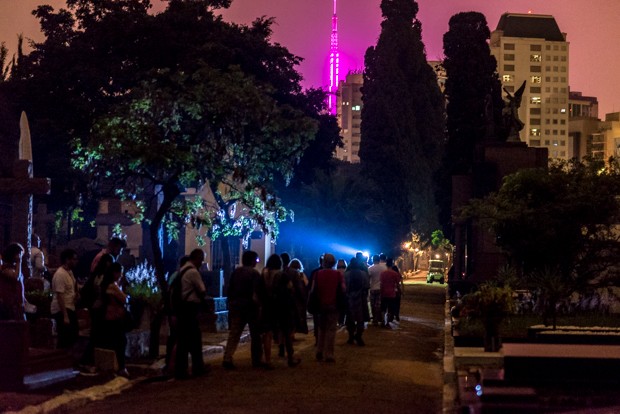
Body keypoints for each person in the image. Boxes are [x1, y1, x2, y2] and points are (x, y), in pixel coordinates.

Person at [222, 250, 263, 370]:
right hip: (250, 307)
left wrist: (230, 303)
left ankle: (227, 358)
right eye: (256, 260)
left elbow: (230, 289)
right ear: (252, 261)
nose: (257, 262)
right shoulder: (254, 274)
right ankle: (256, 360)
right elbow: (257, 292)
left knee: (234, 333)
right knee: (255, 335)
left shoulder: (236, 272)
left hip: (237, 306)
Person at [175, 249, 208, 379]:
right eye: (201, 260)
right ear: (198, 258)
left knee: (183, 340)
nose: (202, 263)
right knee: (194, 339)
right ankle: (197, 367)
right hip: (189, 308)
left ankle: (181, 369)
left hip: (182, 308)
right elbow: (202, 290)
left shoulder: (182, 270)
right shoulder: (193, 272)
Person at [313, 253, 345, 363]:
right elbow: (343, 289)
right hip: (333, 304)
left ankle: (319, 350)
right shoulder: (337, 275)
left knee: (321, 329)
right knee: (331, 330)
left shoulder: (318, 274)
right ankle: (329, 354)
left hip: (321, 305)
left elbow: (313, 290)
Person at [100, 262, 130, 377]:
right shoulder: (113, 286)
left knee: (113, 342)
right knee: (120, 342)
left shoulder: (105, 285)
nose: (121, 275)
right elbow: (124, 299)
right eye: (120, 272)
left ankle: (114, 367)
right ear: (115, 273)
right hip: (115, 316)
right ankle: (121, 367)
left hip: (108, 316)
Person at [164, 255, 190, 374]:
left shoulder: (175, 275)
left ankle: (172, 364)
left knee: (175, 338)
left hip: (173, 311)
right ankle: (173, 365)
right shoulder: (181, 276)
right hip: (177, 311)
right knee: (178, 339)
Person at [51, 249, 80, 350]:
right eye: (74, 259)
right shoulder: (60, 274)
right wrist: (65, 316)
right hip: (62, 309)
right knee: (65, 337)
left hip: (70, 307)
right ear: (67, 260)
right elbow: (60, 296)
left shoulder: (70, 272)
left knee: (72, 334)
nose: (76, 261)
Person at [344, 257, 370, 346]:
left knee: (350, 319)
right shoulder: (363, 274)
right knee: (361, 319)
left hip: (349, 299)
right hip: (361, 298)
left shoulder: (346, 274)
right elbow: (367, 286)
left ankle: (350, 337)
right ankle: (358, 336)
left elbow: (344, 287)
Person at [0, 243, 26, 321]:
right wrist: (19, 262)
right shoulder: (5, 268)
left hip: (18, 304)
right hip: (9, 305)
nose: (21, 256)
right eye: (19, 254)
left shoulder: (15, 267)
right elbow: (16, 277)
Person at [380, 258, 401, 328]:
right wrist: (400, 291)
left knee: (383, 308)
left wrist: (381, 292)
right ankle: (387, 323)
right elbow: (397, 284)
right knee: (390, 309)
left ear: (386, 265)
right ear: (392, 265)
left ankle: (383, 320)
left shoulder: (382, 273)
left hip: (383, 293)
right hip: (392, 293)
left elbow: (381, 284)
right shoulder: (395, 274)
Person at [368, 254, 387, 325]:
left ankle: (375, 319)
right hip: (380, 288)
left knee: (373, 305)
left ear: (373, 260)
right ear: (379, 260)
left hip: (372, 288)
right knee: (379, 305)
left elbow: (368, 278)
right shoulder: (384, 268)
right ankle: (381, 318)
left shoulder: (370, 268)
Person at [336, 258, 348, 326]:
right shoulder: (346, 271)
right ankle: (345, 321)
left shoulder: (335, 271)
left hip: (338, 291)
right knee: (345, 307)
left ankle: (340, 321)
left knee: (339, 307)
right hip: (345, 291)